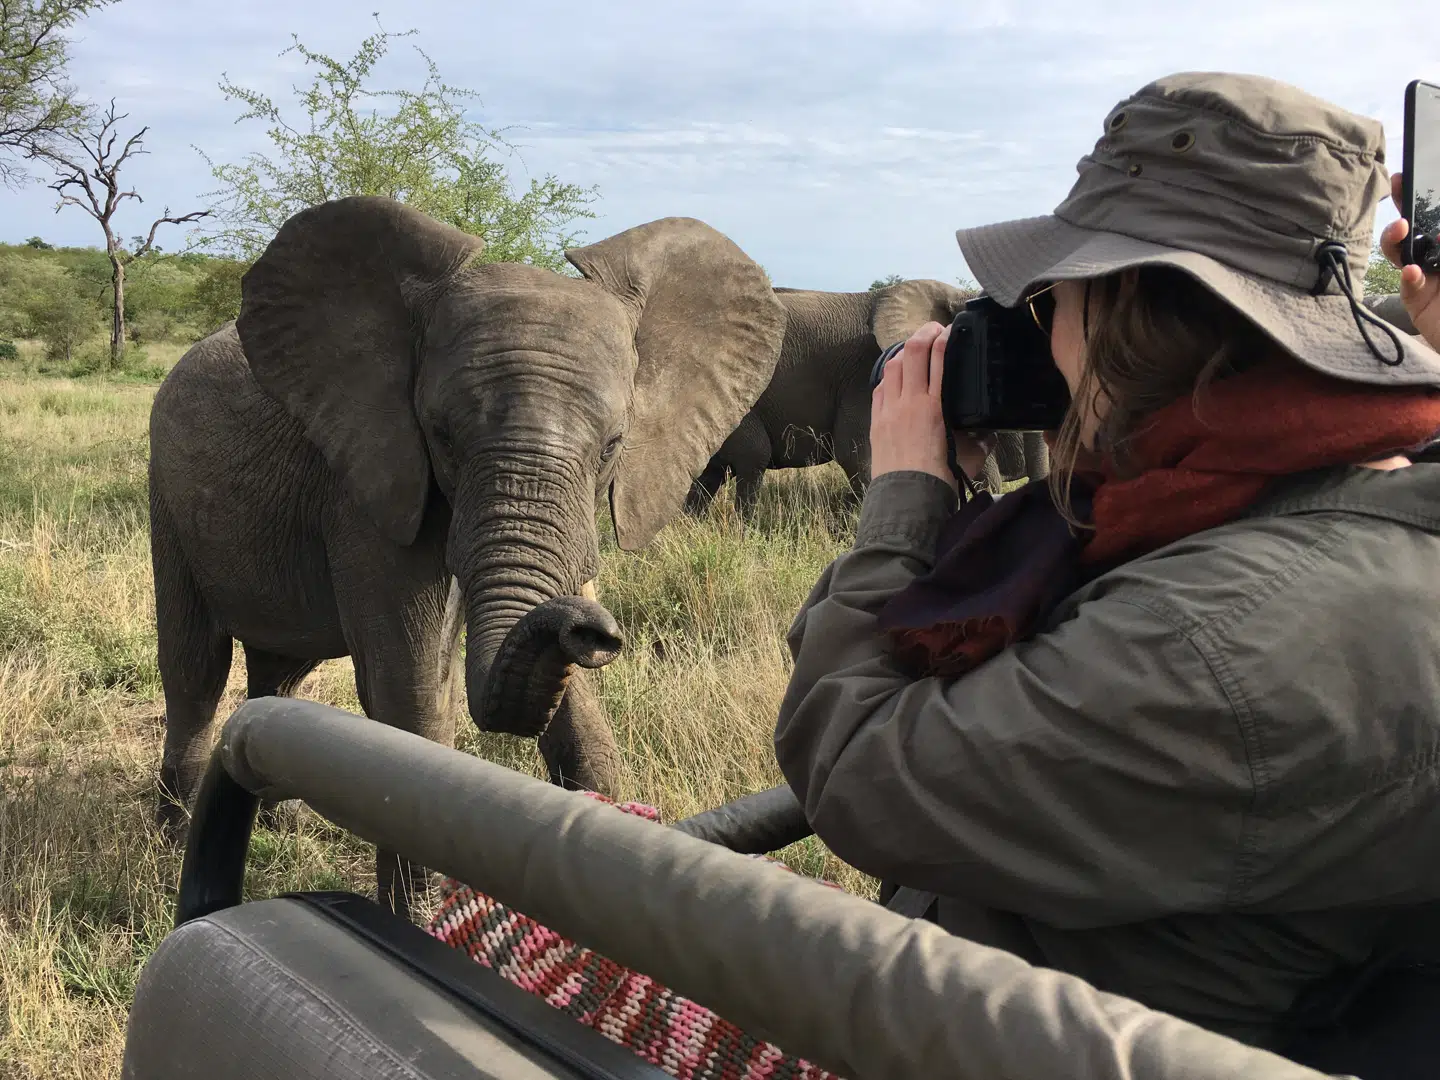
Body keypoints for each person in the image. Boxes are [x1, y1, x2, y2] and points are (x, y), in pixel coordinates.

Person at [772, 70, 1440, 1055]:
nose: (1043, 333)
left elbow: (859, 769)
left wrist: (905, 499)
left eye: (1057, 298)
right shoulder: (1326, 494)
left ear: (1124, 307)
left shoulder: (1208, 637)